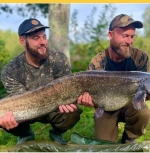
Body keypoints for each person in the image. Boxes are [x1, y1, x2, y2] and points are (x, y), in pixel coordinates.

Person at [0, 18, 83, 145]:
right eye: (36, 38)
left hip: (54, 106)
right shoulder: (10, 70)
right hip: (26, 109)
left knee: (72, 111)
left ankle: (56, 132)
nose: (43, 42)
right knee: (4, 116)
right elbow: (23, 102)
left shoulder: (59, 59)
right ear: (23, 41)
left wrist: (67, 101)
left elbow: (68, 90)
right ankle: (25, 134)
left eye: (44, 37)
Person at [77, 14, 150, 143]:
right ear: (110, 35)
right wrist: (89, 101)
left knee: (143, 113)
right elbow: (92, 98)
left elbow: (146, 90)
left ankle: (130, 139)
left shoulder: (140, 57)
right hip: (106, 106)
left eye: (132, 36)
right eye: (124, 36)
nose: (129, 41)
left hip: (130, 102)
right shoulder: (97, 62)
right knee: (105, 144)